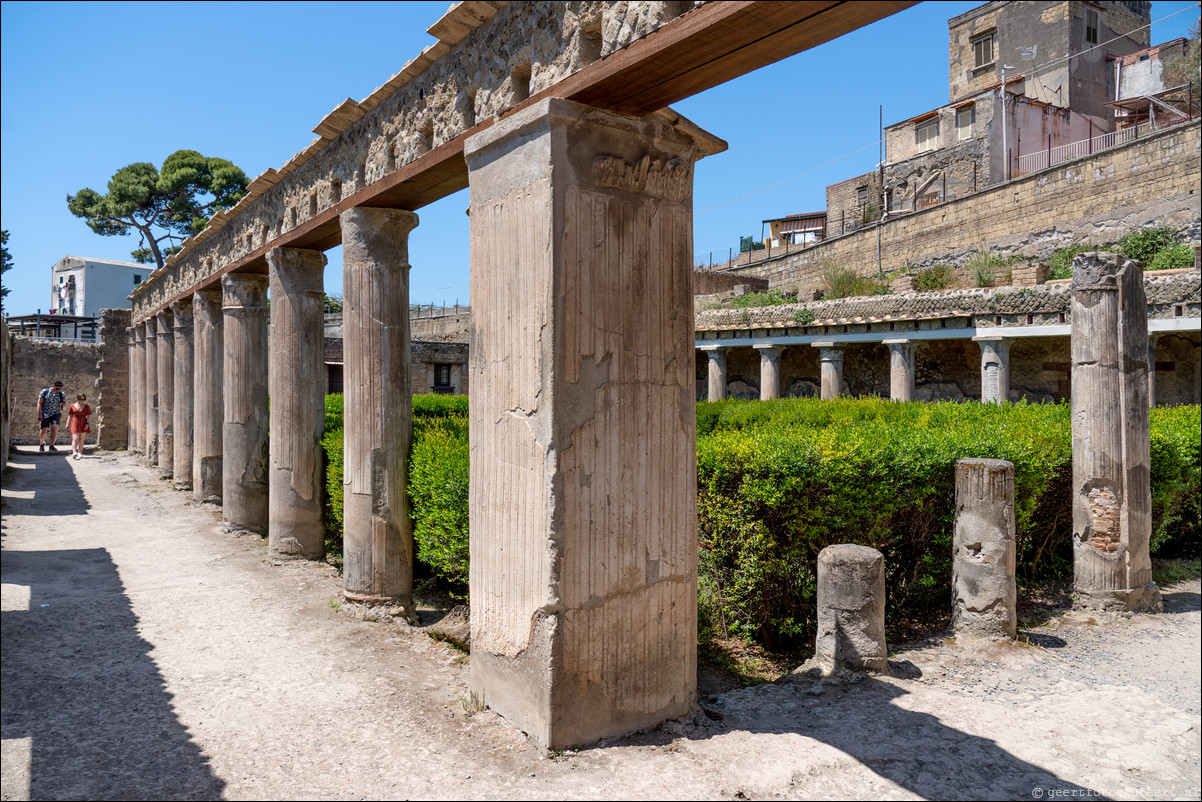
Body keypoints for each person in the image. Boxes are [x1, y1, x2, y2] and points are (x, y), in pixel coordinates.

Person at [36, 380, 66, 453]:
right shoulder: (44, 392)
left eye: (59, 389)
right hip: (45, 413)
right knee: (43, 430)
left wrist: (63, 405)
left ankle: (51, 446)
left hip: (55, 413)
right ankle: (42, 444)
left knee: (54, 428)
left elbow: (64, 406)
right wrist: (39, 414)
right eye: (57, 388)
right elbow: (39, 403)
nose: (58, 390)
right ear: (53, 386)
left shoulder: (61, 394)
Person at [67, 394, 92, 460]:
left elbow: (89, 416)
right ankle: (74, 452)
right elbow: (70, 415)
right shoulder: (72, 406)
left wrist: (87, 423)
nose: (82, 401)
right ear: (78, 399)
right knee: (75, 438)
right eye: (81, 399)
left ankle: (80, 453)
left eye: (84, 399)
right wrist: (67, 424)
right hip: (75, 422)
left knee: (81, 439)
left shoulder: (87, 406)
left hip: (84, 422)